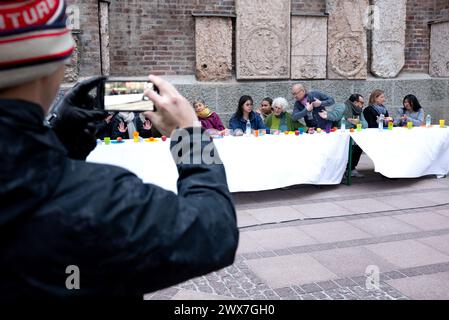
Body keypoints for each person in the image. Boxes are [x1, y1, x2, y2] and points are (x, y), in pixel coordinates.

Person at [0, 0, 238, 299]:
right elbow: (213, 232)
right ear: (51, 68)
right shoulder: (97, 200)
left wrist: (60, 141)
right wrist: (189, 134)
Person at [319, 94, 368, 178]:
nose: (363, 105)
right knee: (343, 151)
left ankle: (351, 169)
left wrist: (358, 122)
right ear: (356, 102)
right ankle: (340, 171)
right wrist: (327, 115)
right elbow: (335, 115)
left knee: (359, 146)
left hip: (352, 136)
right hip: (340, 135)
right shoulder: (342, 106)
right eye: (362, 102)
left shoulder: (359, 111)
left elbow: (366, 125)